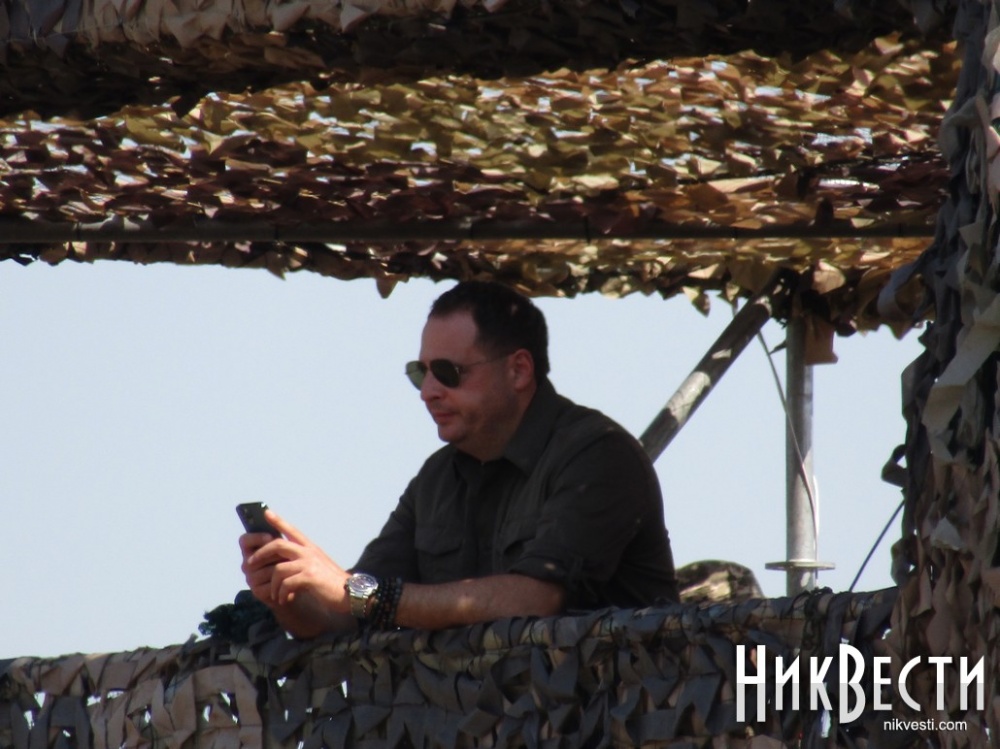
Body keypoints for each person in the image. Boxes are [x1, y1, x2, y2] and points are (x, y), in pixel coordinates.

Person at [240, 281, 678, 637]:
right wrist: (290, 591)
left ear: (519, 370)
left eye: (448, 372)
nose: (428, 392)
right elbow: (348, 614)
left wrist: (354, 591)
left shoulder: (597, 454)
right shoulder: (436, 479)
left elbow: (535, 600)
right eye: (421, 373)